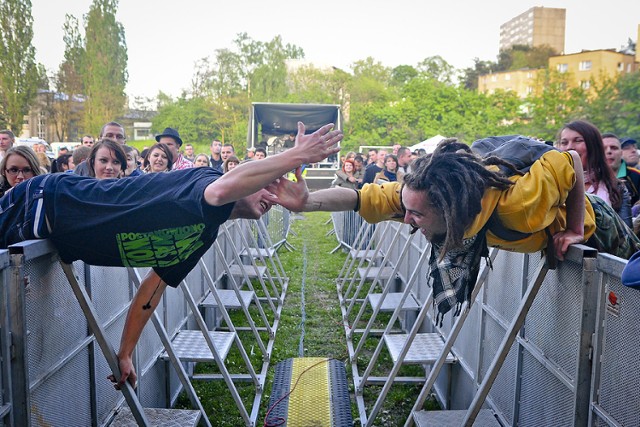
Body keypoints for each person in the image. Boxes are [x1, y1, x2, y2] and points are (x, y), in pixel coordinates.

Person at [0, 121, 342, 389]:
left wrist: (126, 352)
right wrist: (295, 156)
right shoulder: (205, 180)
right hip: (40, 203)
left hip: (50, 229)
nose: (273, 197)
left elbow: (152, 289)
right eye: (269, 185)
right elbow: (223, 188)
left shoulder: (205, 232)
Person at [277, 138, 640, 320]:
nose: (406, 220)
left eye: (416, 216)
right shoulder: (417, 194)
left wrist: (575, 228)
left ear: (449, 212)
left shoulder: (520, 208)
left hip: (599, 226)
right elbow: (359, 198)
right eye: (406, 210)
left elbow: (570, 159)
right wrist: (306, 203)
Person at [557, 120, 631, 227]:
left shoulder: (616, 188)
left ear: (594, 146)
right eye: (564, 143)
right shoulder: (552, 185)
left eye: (578, 141)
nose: (569, 147)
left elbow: (627, 236)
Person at [602, 133, 640, 206]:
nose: (609, 151)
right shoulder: (589, 179)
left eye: (614, 148)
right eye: (603, 148)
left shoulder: (637, 176)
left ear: (621, 153)